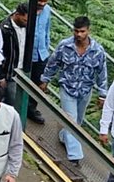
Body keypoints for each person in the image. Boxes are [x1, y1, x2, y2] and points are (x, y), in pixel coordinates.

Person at [40, 16, 108, 167]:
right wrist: (45, 79)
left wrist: (102, 94)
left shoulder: (97, 51)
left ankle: (64, 136)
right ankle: (74, 157)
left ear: (88, 31)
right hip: (67, 88)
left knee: (77, 121)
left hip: (85, 90)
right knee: (71, 120)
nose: (78, 34)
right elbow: (53, 63)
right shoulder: (65, 45)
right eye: (76, 31)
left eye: (82, 31)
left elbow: (102, 73)